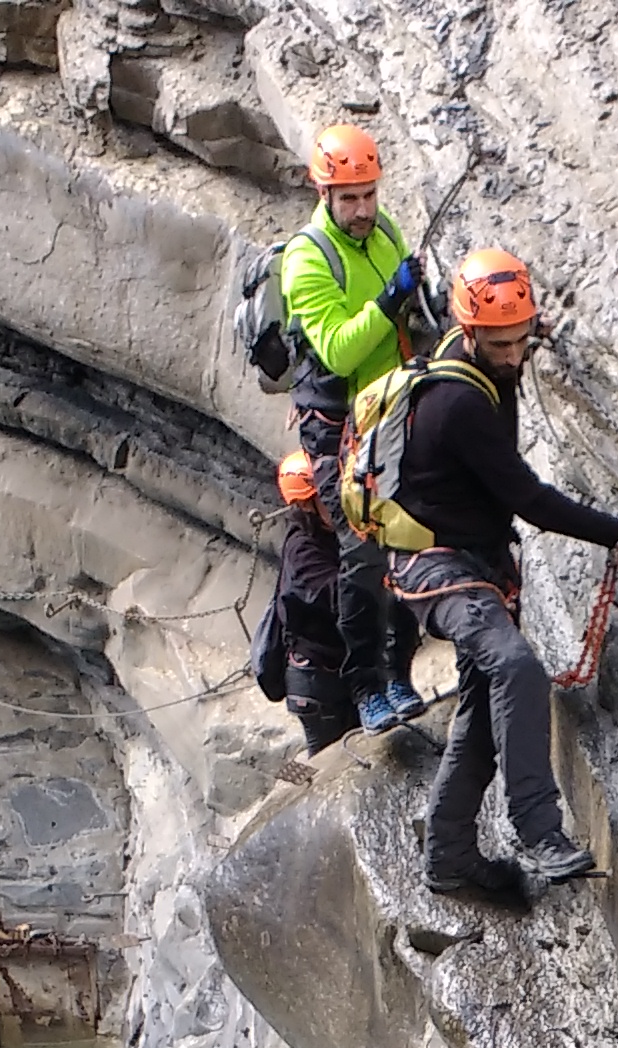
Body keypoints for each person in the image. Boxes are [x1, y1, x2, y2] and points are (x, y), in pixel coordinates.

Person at [388, 248, 618, 901]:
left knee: (482, 715)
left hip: (473, 563)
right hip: (437, 568)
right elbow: (532, 501)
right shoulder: (456, 404)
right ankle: (538, 831)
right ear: (468, 332)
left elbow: (509, 338)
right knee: (515, 667)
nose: (516, 354)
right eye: (502, 344)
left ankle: (450, 858)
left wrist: (528, 334)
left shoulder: (478, 356)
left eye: (523, 338)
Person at [280, 125, 429, 735]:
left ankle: (399, 675)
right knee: (362, 554)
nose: (363, 209)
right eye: (350, 199)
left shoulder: (384, 230)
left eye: (369, 194)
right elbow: (340, 352)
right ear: (324, 193)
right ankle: (366, 687)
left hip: (389, 410)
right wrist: (390, 301)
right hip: (337, 424)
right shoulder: (307, 259)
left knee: (408, 539)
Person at [270, 452, 356, 752]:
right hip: (318, 681)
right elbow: (340, 597)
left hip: (334, 670)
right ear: (306, 504)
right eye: (327, 495)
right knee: (330, 760)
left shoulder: (331, 534)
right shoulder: (303, 550)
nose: (338, 501)